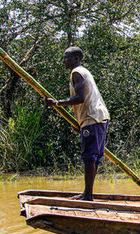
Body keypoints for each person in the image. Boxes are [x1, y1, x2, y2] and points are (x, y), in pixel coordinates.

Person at [45, 47, 110, 201]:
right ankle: (88, 194)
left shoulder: (77, 73)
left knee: (89, 157)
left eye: (66, 57)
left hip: (92, 118)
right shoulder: (84, 72)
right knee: (94, 158)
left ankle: (87, 195)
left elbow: (80, 98)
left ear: (76, 58)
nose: (64, 61)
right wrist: (79, 124)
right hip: (98, 118)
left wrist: (56, 103)